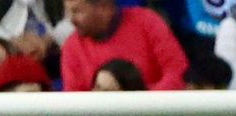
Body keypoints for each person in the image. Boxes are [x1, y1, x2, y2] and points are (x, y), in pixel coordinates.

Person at [60, 0, 188, 91]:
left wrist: (144, 105)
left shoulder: (147, 21)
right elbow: (75, 98)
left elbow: (176, 70)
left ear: (103, 7)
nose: (71, 20)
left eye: (77, 11)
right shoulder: (71, 47)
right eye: (68, 12)